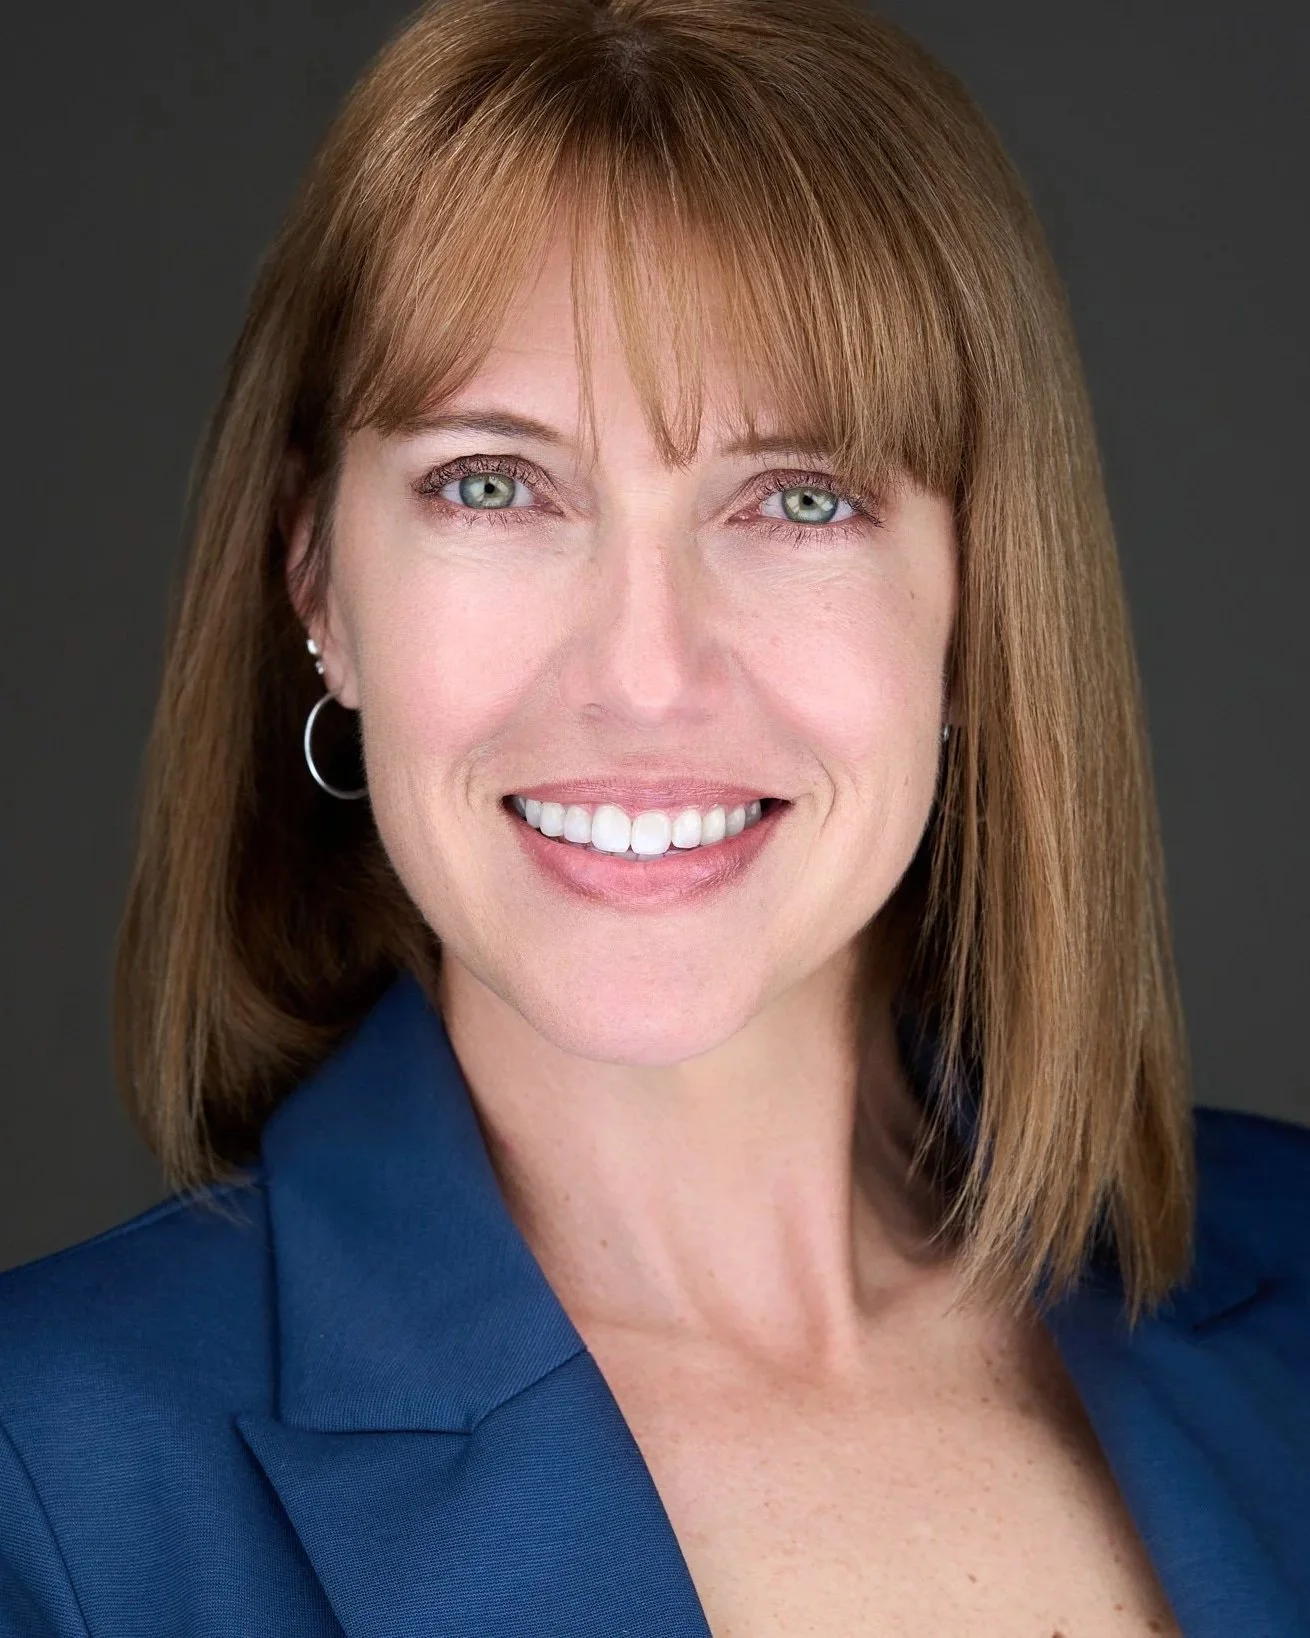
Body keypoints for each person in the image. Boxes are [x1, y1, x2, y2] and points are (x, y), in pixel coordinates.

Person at [2, 0, 1307, 1631]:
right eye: (494, 483)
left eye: (798, 499)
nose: (641, 676)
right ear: (316, 578)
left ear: (979, 605)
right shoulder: (53, 1481)